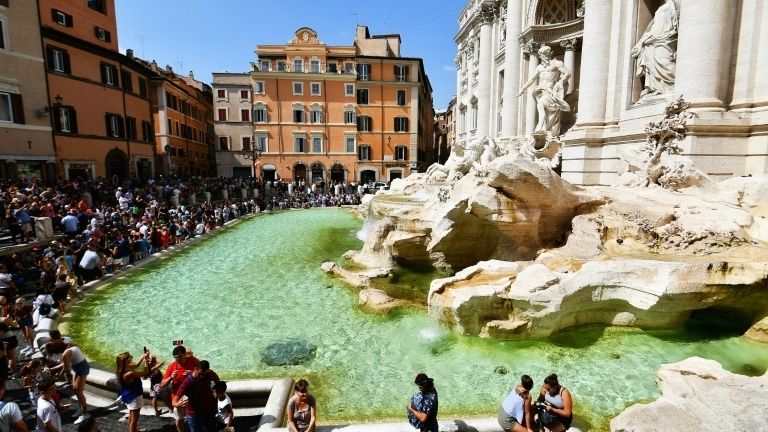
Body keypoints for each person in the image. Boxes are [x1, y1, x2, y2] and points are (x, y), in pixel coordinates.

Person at [518, 44, 571, 136]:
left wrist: (560, 82)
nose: (541, 57)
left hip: (550, 90)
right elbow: (531, 79)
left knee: (541, 105)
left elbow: (567, 73)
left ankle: (540, 127)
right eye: (540, 55)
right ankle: (544, 128)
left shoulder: (557, 63)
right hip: (540, 91)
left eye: (542, 55)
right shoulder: (539, 67)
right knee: (543, 109)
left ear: (548, 54)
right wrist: (523, 88)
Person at [630, 0, 678, 99]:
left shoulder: (670, 5)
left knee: (664, 60)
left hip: (664, 38)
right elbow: (651, 27)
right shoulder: (661, 7)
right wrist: (642, 41)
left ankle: (672, 86)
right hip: (654, 38)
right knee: (650, 61)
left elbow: (675, 23)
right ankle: (654, 88)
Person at [45, 340, 90, 424]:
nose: (55, 354)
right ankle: (81, 409)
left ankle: (85, 414)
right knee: (75, 389)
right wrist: (52, 369)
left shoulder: (65, 353)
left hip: (82, 369)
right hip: (77, 369)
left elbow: (65, 368)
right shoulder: (69, 348)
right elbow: (65, 364)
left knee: (79, 392)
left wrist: (58, 377)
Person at [162, 345, 201, 432]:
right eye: (175, 357)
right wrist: (171, 377)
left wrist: (192, 373)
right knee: (179, 419)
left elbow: (202, 371)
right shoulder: (172, 367)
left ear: (184, 354)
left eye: (179, 356)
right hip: (179, 398)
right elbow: (162, 384)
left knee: (195, 417)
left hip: (193, 396)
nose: (177, 359)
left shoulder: (193, 360)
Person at [172, 360, 218, 432]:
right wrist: (177, 404)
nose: (202, 376)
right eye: (200, 374)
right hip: (194, 415)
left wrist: (211, 372)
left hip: (208, 412)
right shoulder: (187, 382)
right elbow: (174, 400)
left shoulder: (208, 374)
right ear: (195, 369)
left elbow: (217, 381)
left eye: (205, 374)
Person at [116, 351, 150, 432]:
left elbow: (137, 365)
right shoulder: (130, 373)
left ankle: (134, 430)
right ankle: (133, 430)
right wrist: (146, 360)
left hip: (128, 396)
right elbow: (145, 373)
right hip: (134, 397)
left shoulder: (122, 369)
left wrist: (143, 357)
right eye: (130, 357)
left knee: (131, 414)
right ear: (126, 361)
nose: (132, 357)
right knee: (135, 418)